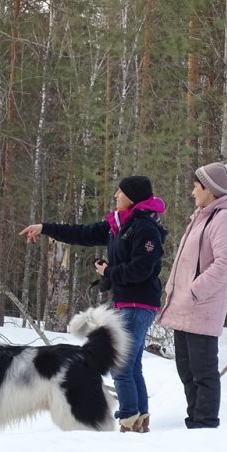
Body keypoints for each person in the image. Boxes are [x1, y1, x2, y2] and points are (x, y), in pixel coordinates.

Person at [20, 175, 167, 433]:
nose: (116, 196)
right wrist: (44, 228)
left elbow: (142, 269)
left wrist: (109, 271)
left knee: (121, 365)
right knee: (131, 365)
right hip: (127, 302)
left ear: (132, 197)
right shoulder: (120, 224)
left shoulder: (145, 228)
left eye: (120, 192)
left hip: (138, 303)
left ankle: (129, 420)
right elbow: (82, 233)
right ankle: (138, 420)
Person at [157, 162, 227, 429]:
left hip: (202, 305)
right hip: (185, 304)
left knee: (203, 372)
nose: (192, 192)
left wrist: (195, 290)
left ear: (209, 189)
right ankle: (193, 423)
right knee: (186, 370)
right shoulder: (202, 216)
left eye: (196, 187)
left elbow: (225, 264)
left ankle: (205, 426)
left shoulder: (224, 218)